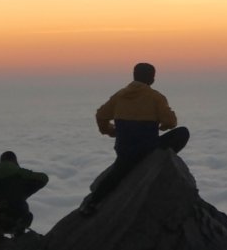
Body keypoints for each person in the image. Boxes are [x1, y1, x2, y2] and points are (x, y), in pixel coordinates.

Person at [80, 62, 189, 215]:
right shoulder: (155, 97)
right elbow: (170, 122)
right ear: (151, 78)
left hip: (124, 150)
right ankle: (159, 161)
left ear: (134, 75)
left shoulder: (119, 96)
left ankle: (93, 203)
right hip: (148, 149)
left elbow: (101, 115)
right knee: (183, 133)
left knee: (117, 173)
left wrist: (111, 131)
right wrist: (162, 127)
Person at [0, 151, 48, 238]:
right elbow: (44, 178)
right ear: (15, 162)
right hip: (21, 219)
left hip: (0, 220)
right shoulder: (21, 174)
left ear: (1, 162)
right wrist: (22, 172)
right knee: (29, 215)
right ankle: (19, 234)